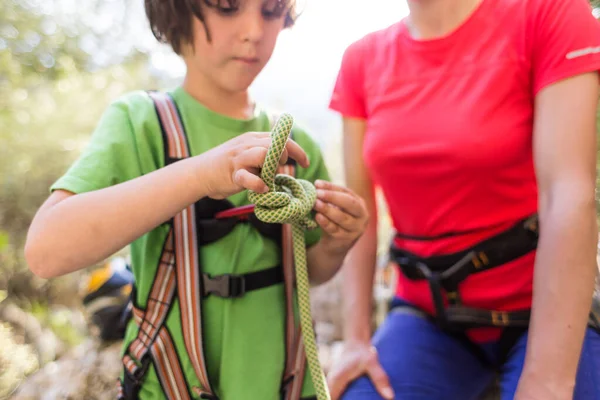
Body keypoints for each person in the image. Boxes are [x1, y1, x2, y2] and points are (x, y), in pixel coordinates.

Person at [24, 0, 369, 399]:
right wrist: (201, 174)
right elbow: (46, 252)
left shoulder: (294, 146)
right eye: (227, 8)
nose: (254, 30)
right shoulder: (141, 124)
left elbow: (309, 271)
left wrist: (336, 243)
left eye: (271, 11)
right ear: (176, 11)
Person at [327, 0, 600, 398]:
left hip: (546, 313)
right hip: (427, 317)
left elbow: (569, 195)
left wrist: (548, 380)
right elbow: (358, 219)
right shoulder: (361, 61)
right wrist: (355, 339)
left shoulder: (550, 14)